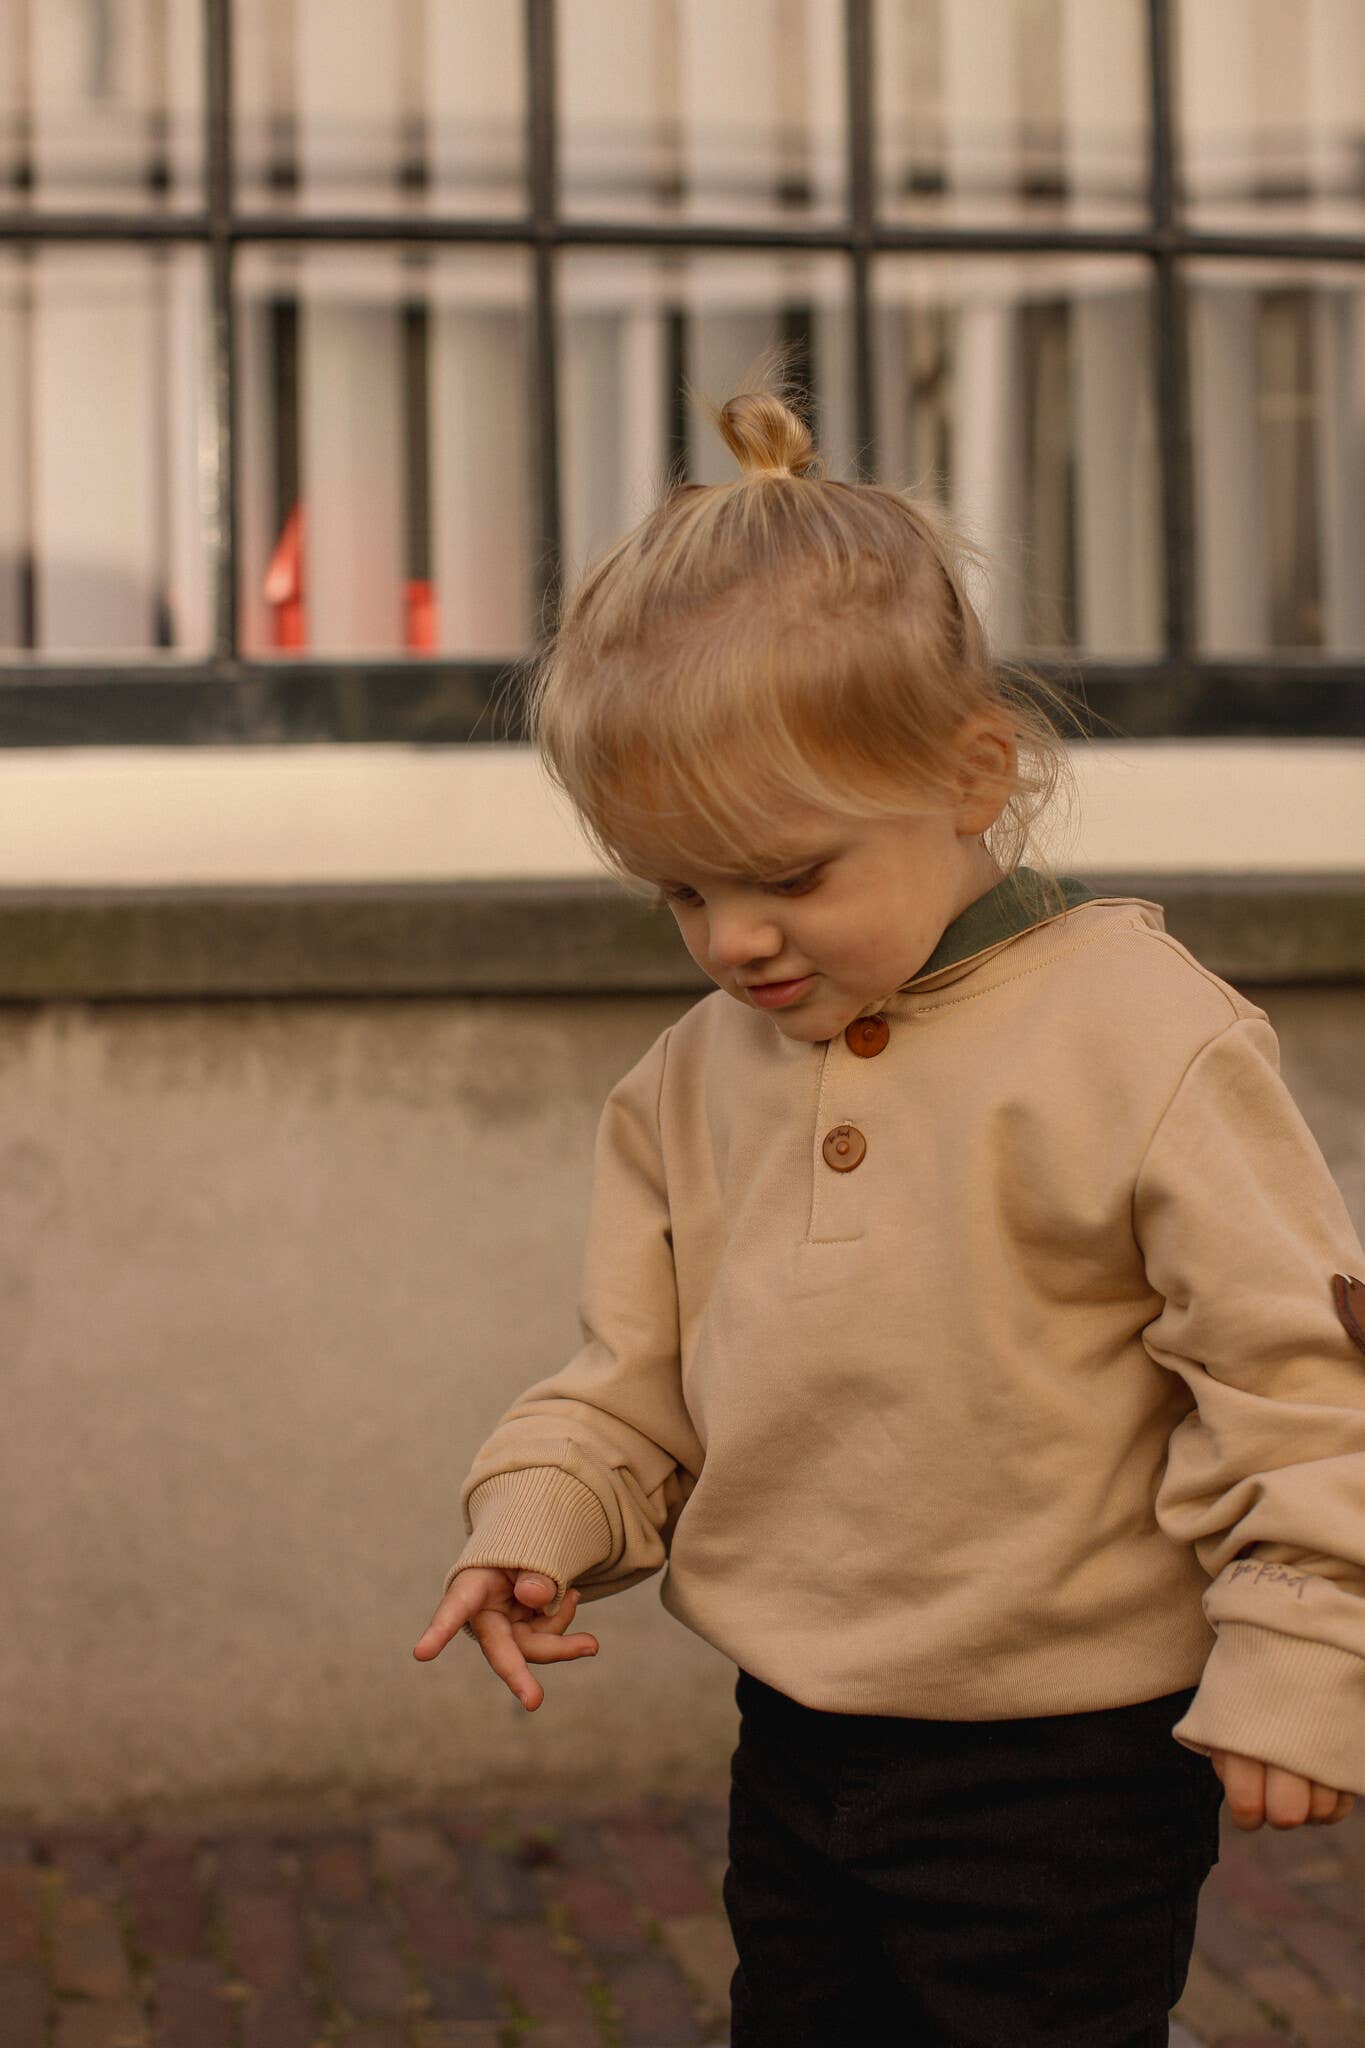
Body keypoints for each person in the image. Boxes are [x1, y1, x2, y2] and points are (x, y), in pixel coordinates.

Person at [413, 352, 1365, 2047]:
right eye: (678, 891)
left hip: (1070, 1760)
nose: (731, 940)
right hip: (796, 1734)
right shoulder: (687, 1081)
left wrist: (1305, 1644)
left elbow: (1295, 1374)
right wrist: (541, 1516)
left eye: (786, 874)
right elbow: (634, 1378)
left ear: (969, 774)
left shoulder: (1142, 1037)